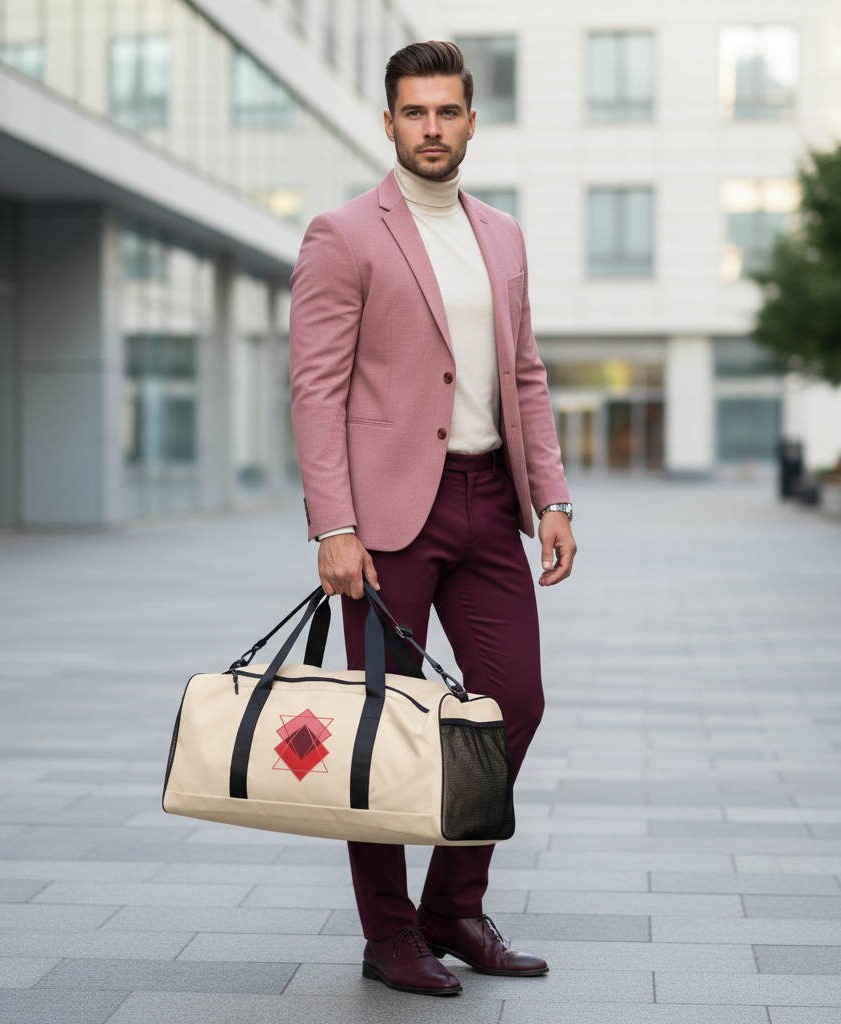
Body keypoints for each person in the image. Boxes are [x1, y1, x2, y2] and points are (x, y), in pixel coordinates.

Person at [289, 40, 576, 997]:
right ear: (388, 123)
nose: (432, 129)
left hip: (490, 501)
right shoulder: (344, 234)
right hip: (385, 520)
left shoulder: (502, 234)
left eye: (447, 112)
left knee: (512, 702)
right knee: (382, 726)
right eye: (414, 113)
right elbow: (315, 390)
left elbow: (526, 375)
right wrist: (334, 524)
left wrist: (553, 497)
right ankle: (387, 935)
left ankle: (455, 903)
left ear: (470, 122)